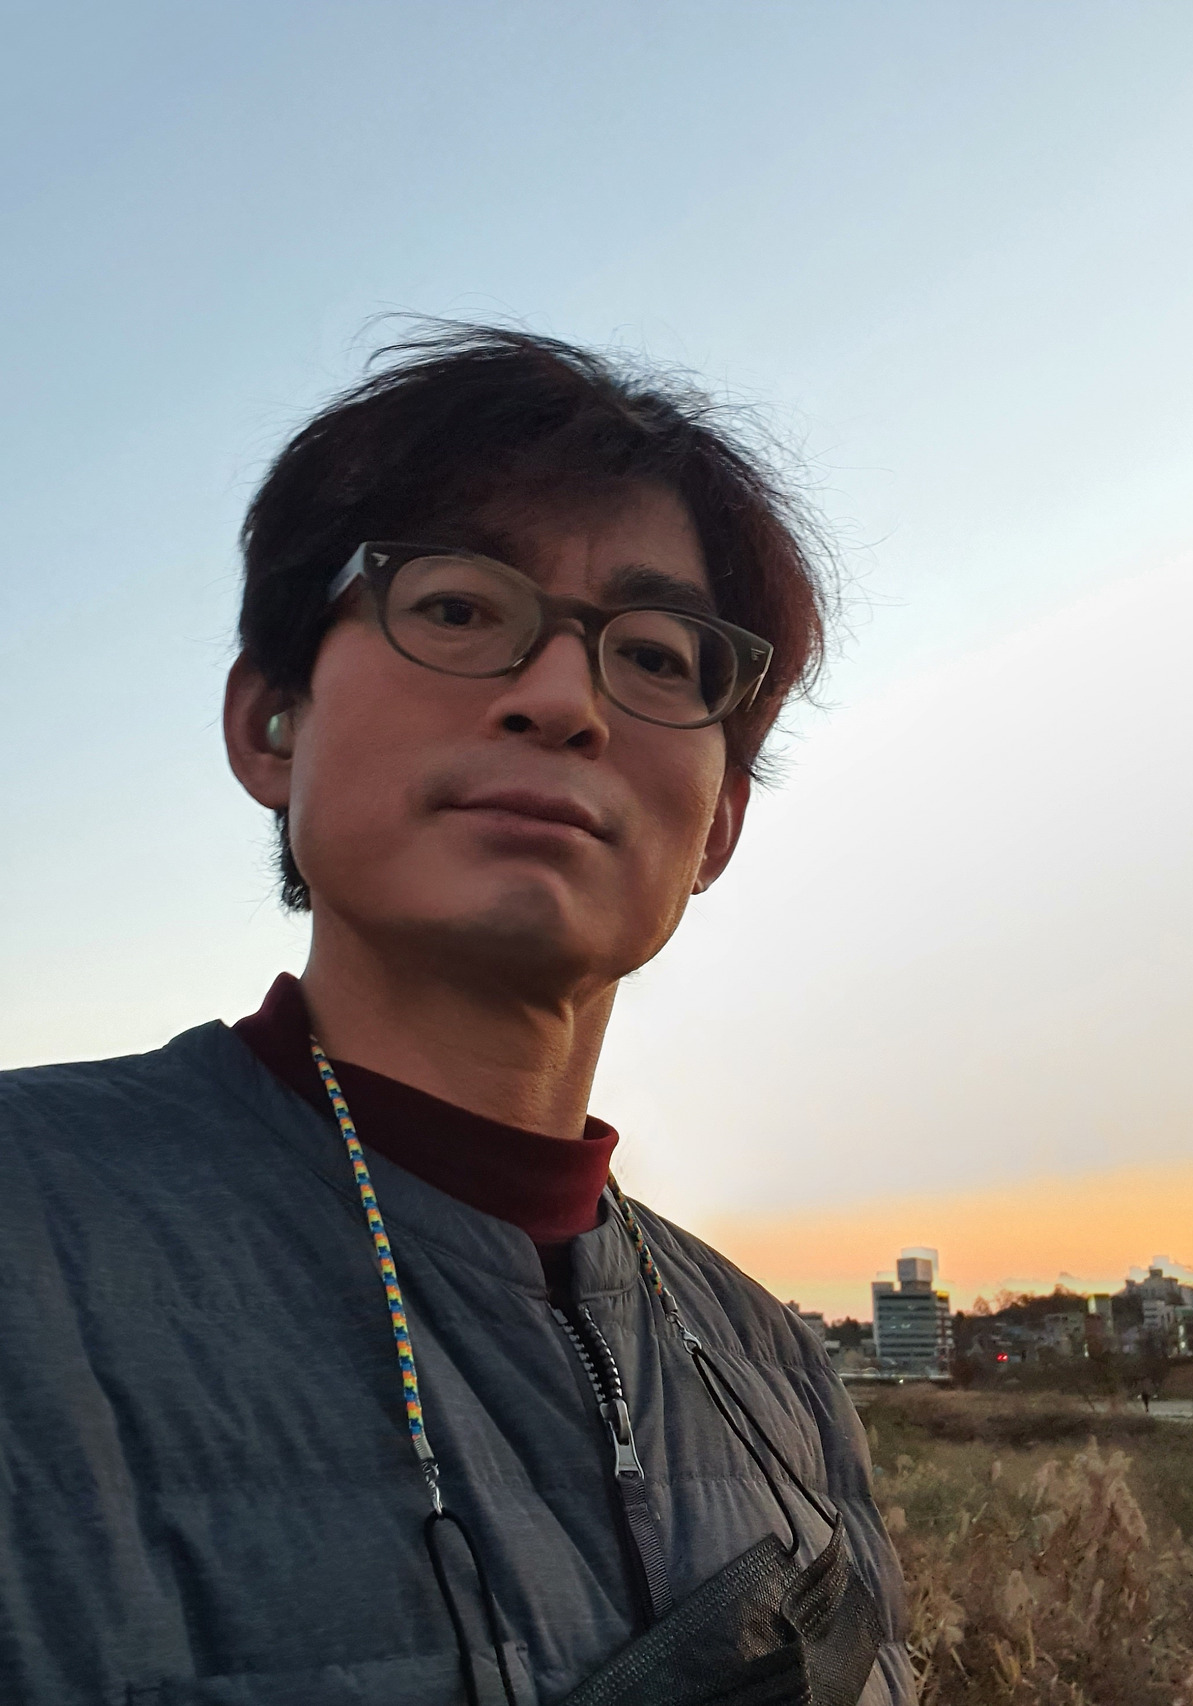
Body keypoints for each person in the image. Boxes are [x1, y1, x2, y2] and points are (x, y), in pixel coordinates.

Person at [0, 327, 914, 1705]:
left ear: (718, 826)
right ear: (270, 724)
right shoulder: (31, 1225)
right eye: (457, 609)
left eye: (658, 656)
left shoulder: (777, 1369)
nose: (560, 700)